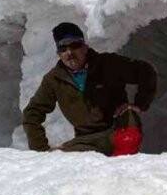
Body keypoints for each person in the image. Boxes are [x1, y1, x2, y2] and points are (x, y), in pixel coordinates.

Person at [22, 22, 157, 154]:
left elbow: (146, 71)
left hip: (118, 129)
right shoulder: (54, 80)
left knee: (126, 145)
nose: (69, 52)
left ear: (85, 47)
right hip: (86, 141)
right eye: (63, 48)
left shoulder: (108, 64)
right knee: (62, 163)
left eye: (74, 45)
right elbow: (33, 112)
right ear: (59, 53)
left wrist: (139, 104)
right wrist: (40, 151)